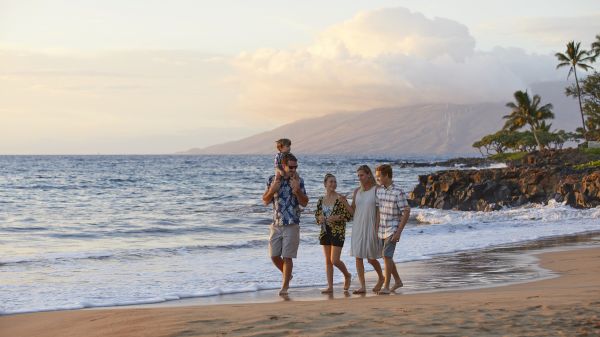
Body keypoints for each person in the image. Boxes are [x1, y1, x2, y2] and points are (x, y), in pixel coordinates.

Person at [262, 153, 308, 296]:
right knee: (274, 256)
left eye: (296, 167)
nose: (294, 169)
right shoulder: (272, 180)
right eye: (291, 167)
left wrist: (297, 190)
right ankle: (288, 275)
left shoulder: (299, 181)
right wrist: (272, 190)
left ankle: (285, 286)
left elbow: (304, 203)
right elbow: (265, 201)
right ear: (283, 165)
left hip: (292, 223)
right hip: (276, 223)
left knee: (287, 256)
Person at [374, 164, 410, 295]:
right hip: (382, 229)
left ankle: (386, 287)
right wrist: (376, 226)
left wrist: (399, 232)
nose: (377, 179)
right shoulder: (379, 190)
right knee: (386, 257)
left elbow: (406, 211)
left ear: (387, 176)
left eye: (379, 177)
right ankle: (398, 281)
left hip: (393, 228)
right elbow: (379, 210)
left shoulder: (398, 192)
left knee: (386, 256)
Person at [314, 173, 353, 294]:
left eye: (335, 182)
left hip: (338, 232)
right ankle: (330, 287)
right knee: (328, 261)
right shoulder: (321, 200)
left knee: (334, 260)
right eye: (331, 182)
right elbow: (317, 215)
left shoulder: (341, 199)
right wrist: (319, 218)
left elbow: (349, 216)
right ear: (325, 184)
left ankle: (347, 275)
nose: (333, 184)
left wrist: (337, 217)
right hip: (325, 232)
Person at [350, 165, 384, 294]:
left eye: (362, 175)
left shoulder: (377, 190)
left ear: (369, 174)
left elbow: (380, 211)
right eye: (358, 175)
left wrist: (377, 228)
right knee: (358, 257)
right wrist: (344, 203)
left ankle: (381, 278)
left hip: (371, 226)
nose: (360, 178)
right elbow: (353, 211)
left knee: (371, 258)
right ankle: (362, 286)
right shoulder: (356, 191)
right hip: (358, 227)